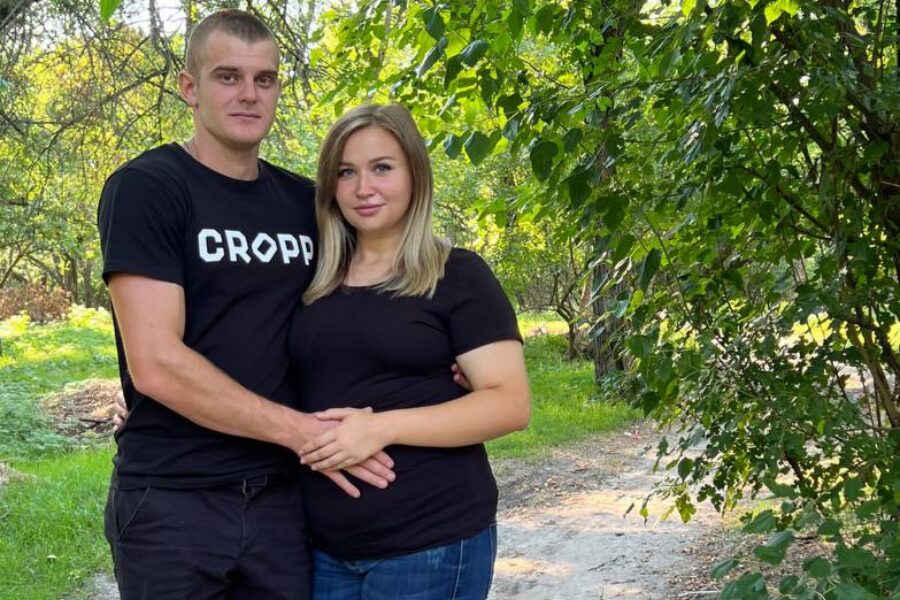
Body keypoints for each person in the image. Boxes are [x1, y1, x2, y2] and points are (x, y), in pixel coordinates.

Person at [96, 10, 395, 599]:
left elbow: (372, 302)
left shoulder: (306, 204)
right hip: (174, 498)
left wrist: (451, 357)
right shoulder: (149, 188)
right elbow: (155, 362)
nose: (248, 94)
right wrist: (303, 433)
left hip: (284, 499)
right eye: (227, 76)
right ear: (190, 87)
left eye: (265, 79)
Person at [288, 103, 532, 599]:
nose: (363, 188)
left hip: (430, 544)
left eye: (382, 168)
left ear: (414, 174)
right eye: (345, 172)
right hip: (325, 549)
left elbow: (510, 404)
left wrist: (383, 426)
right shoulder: (312, 279)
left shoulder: (456, 274)